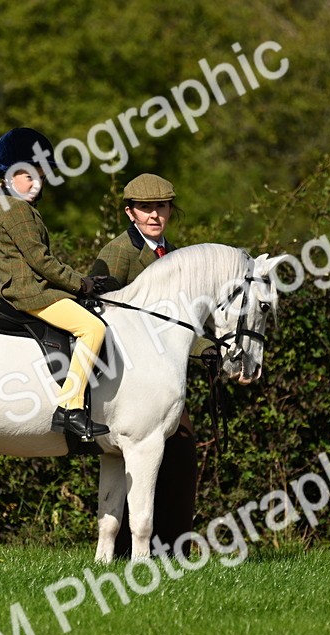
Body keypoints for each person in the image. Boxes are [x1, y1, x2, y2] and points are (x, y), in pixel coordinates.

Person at [91, 173, 215, 557]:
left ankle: (173, 545)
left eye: (161, 207)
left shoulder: (175, 256)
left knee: (181, 450)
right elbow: (100, 309)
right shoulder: (118, 252)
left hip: (158, 381)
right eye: (146, 208)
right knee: (155, 451)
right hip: (124, 380)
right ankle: (132, 547)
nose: (154, 215)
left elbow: (181, 324)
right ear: (130, 213)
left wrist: (210, 351)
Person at [0, 127, 119, 440]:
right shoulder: (17, 211)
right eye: (28, 177)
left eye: (41, 178)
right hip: (30, 293)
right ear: (7, 176)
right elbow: (42, 262)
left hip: (30, 289)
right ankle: (71, 408)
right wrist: (81, 284)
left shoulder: (13, 206)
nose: (36, 185)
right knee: (93, 328)